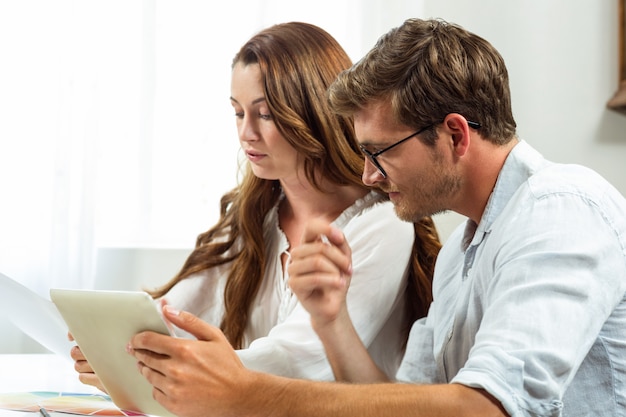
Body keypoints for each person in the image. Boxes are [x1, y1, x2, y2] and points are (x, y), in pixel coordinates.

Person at [125, 17, 626, 417]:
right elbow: (396, 400)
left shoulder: (561, 207)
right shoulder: (460, 254)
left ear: (455, 135)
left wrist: (248, 396)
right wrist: (331, 320)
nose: (368, 176)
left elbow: (485, 407)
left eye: (380, 152)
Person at [71, 21, 441, 390]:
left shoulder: (382, 224)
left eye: (264, 114)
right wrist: (112, 346)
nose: (246, 132)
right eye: (237, 112)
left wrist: (156, 366)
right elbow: (173, 312)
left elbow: (295, 361)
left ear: (314, 112)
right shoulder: (255, 213)